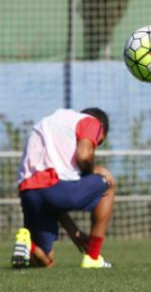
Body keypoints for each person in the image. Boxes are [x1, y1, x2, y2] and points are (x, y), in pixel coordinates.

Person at [11, 107, 115, 269]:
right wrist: (94, 169)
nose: (95, 146)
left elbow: (53, 198)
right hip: (53, 187)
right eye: (98, 142)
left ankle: (27, 244)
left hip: (29, 192)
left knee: (46, 260)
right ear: (102, 130)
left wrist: (74, 233)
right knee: (108, 184)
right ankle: (93, 257)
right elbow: (84, 155)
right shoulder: (92, 121)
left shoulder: (48, 122)